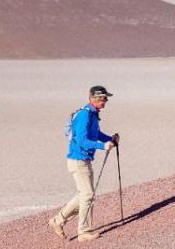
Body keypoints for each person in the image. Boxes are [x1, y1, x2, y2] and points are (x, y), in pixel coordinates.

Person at [48, 85, 119, 243]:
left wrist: (109, 139)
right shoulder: (85, 116)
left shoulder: (93, 115)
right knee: (87, 195)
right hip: (78, 161)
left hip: (84, 160)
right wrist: (102, 146)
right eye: (104, 98)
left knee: (85, 195)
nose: (106, 101)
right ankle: (83, 232)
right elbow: (81, 140)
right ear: (95, 98)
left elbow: (96, 134)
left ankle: (58, 221)